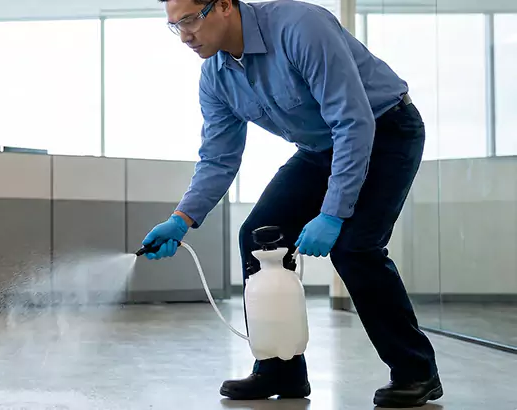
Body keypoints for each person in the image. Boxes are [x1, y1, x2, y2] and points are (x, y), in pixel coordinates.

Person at [140, 0, 442, 407]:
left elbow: (354, 121)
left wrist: (333, 213)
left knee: (355, 248)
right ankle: (278, 367)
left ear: (225, 5)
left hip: (386, 129)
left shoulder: (301, 28)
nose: (185, 36)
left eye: (191, 20)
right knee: (258, 235)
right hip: (321, 148)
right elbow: (219, 157)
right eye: (175, 27)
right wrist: (182, 219)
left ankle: (416, 372)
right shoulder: (215, 76)